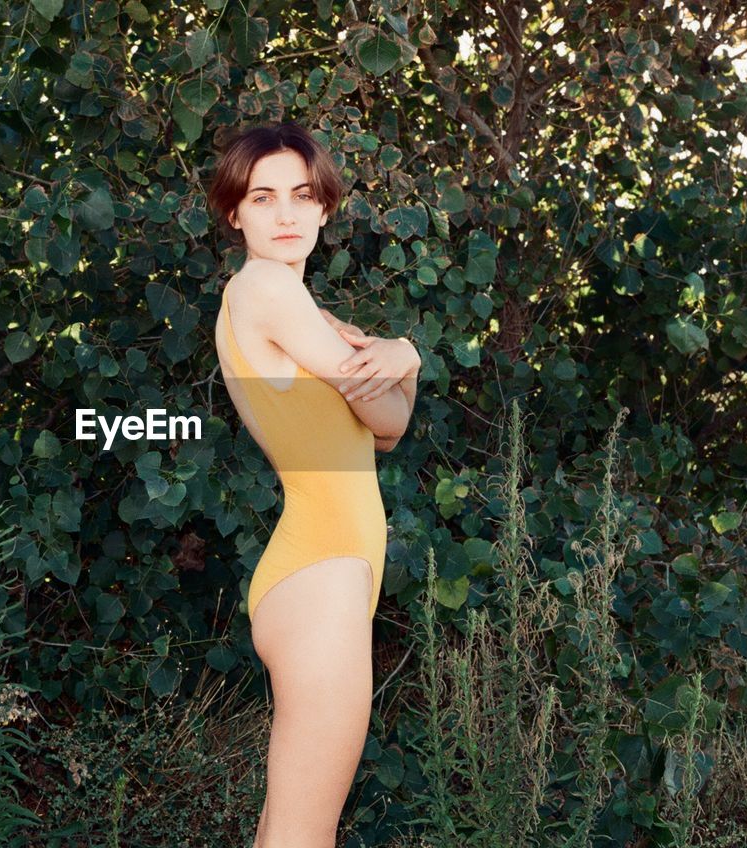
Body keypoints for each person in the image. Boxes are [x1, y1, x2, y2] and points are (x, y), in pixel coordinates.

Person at [206, 121, 420, 847]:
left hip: (320, 574)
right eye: (263, 198)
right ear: (235, 212)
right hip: (320, 577)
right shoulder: (266, 287)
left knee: (285, 833)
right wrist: (406, 351)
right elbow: (388, 407)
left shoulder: (289, 308)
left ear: (326, 206)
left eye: (302, 195)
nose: (288, 214)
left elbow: (385, 431)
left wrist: (391, 367)